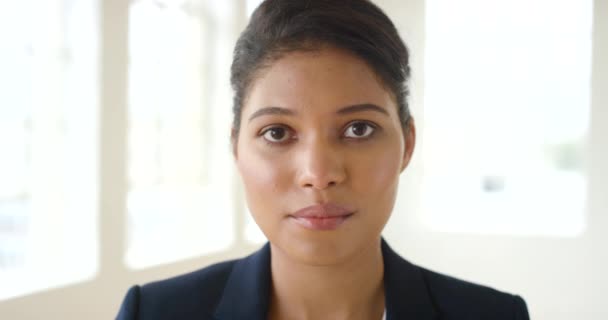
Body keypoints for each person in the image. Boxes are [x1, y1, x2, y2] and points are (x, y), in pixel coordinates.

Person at [116, 0, 530, 319]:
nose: (319, 174)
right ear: (236, 147)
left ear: (407, 143)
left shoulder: (493, 316)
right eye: (277, 133)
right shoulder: (154, 313)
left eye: (358, 129)